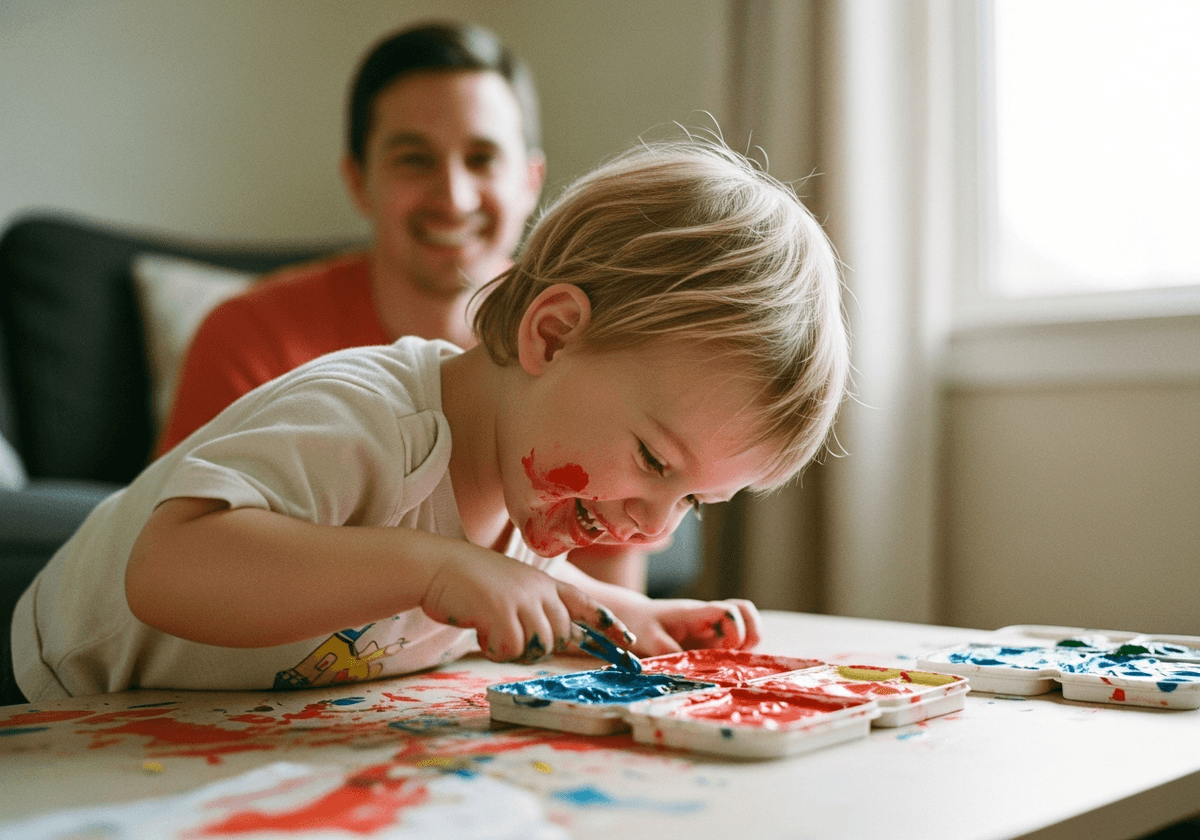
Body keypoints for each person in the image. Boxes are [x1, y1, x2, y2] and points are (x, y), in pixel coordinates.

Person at [8, 136, 849, 703]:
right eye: (655, 461)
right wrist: (433, 570)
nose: (654, 529)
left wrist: (627, 616)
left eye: (694, 501)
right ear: (552, 335)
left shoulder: (527, 483)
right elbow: (166, 570)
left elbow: (522, 585)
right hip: (56, 702)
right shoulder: (369, 420)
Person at [158, 20, 649, 591]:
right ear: (359, 181)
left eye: (482, 158)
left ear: (530, 180)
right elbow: (182, 565)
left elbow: (611, 600)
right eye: (414, 159)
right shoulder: (250, 337)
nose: (453, 198)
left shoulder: (588, 352)